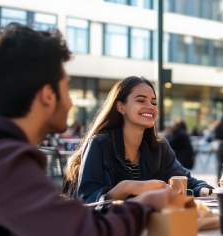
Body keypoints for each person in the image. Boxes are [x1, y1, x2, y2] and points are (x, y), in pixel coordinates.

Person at [0, 23, 187, 236]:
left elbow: (57, 231)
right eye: (67, 89)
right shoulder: (3, 162)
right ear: (48, 95)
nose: (71, 103)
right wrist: (147, 204)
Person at [64, 76, 214, 203]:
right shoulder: (99, 145)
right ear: (121, 107)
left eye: (154, 103)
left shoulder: (160, 147)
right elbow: (87, 201)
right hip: (113, 232)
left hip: (154, 229)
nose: (150, 106)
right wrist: (127, 187)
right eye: (141, 100)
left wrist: (208, 192)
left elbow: (188, 182)